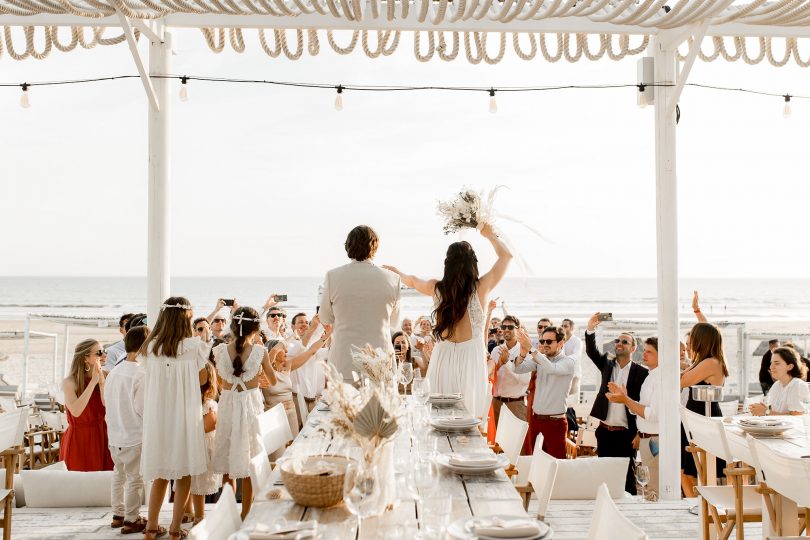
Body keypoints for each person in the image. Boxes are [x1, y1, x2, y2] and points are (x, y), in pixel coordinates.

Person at [384, 223, 512, 417]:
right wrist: (490, 235)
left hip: (443, 358)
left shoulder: (436, 288)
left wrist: (398, 273)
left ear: (447, 265)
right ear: (473, 264)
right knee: (469, 422)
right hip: (471, 360)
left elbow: (411, 280)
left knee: (439, 418)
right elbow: (506, 256)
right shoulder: (482, 287)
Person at [140, 296, 211, 540]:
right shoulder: (194, 346)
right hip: (184, 416)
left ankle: (150, 527)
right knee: (184, 474)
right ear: (186, 319)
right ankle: (174, 528)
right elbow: (203, 381)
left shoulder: (150, 347)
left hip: (159, 417)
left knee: (160, 473)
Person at [212, 307, 279, 519]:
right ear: (256, 329)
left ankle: (227, 511)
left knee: (228, 458)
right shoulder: (261, 352)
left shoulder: (219, 351)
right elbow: (273, 381)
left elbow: (221, 382)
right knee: (250, 457)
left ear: (233, 326)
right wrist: (257, 379)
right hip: (250, 405)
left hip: (228, 404)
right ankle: (246, 512)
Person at [319, 225, 402, 381]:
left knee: (344, 406)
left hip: (343, 360)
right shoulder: (392, 279)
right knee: (382, 405)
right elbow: (394, 322)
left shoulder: (332, 276)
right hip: (381, 359)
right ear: (375, 247)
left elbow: (324, 317)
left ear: (348, 246)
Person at [585, 312, 648, 495]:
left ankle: (629, 513)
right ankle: (606, 507)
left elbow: (643, 403)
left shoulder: (641, 373)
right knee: (604, 476)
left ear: (633, 348)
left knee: (627, 478)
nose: (619, 344)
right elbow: (591, 351)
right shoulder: (607, 363)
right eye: (617, 341)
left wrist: (638, 434)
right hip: (604, 431)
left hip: (626, 435)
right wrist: (590, 329)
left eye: (625, 342)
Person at [104, 326, 149, 533]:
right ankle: (132, 519)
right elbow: (142, 408)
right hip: (133, 434)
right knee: (134, 479)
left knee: (118, 475)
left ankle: (117, 514)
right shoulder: (140, 373)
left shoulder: (114, 371)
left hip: (115, 434)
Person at [606, 337, 660, 499]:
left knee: (654, 490)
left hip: (654, 441)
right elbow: (641, 409)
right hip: (647, 439)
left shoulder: (660, 378)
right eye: (644, 350)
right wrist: (625, 398)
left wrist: (625, 400)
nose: (645, 354)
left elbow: (653, 414)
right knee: (650, 488)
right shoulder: (651, 376)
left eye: (649, 351)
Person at [679, 322, 728, 498]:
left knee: (699, 472)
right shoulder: (705, 361)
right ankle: (697, 507)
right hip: (695, 418)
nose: (689, 342)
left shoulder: (711, 362)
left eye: (692, 337)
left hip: (704, 419)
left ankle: (703, 510)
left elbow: (682, 382)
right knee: (685, 472)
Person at [515, 326, 576, 459]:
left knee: (556, 464)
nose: (544, 345)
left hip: (555, 423)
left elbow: (551, 369)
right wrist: (523, 353)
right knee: (535, 461)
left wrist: (532, 349)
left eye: (549, 342)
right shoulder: (540, 358)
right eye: (542, 342)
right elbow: (518, 369)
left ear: (561, 343)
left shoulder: (568, 362)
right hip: (536, 420)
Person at [61, 338, 114, 472]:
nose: (104, 355)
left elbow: (107, 406)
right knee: (78, 483)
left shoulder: (108, 375)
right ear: (85, 358)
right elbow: (76, 411)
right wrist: (92, 383)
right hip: (79, 440)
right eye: (99, 353)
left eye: (104, 351)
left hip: (103, 435)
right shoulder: (70, 382)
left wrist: (101, 382)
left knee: (104, 483)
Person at [190, 361, 221, 525]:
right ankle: (199, 516)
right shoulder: (209, 406)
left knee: (189, 483)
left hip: (193, 449)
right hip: (203, 451)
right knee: (199, 485)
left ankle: (187, 511)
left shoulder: (189, 406)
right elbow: (208, 427)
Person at [489, 315, 530, 425]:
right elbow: (491, 376)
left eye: (511, 327)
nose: (506, 329)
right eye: (504, 326)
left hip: (515, 404)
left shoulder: (525, 352)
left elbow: (524, 381)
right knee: (494, 441)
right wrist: (498, 365)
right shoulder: (496, 350)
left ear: (518, 329)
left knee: (515, 441)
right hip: (495, 403)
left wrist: (506, 363)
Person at [262, 339, 299, 459]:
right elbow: (269, 357)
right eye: (283, 350)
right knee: (278, 457)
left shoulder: (285, 368)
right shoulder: (264, 371)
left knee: (294, 451)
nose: (286, 352)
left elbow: (308, 352)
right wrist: (278, 347)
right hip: (274, 416)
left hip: (291, 413)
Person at [749, 347, 809, 416]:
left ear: (790, 367)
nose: (771, 367)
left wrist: (766, 412)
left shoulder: (798, 385)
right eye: (771, 363)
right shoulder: (777, 385)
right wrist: (760, 409)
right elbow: (770, 408)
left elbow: (796, 417)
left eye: (777, 363)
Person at [561, 318, 583, 432]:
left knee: (569, 403)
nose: (563, 328)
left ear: (572, 328)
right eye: (562, 326)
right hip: (561, 375)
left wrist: (563, 359)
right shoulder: (560, 339)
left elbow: (576, 355)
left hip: (573, 375)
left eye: (566, 326)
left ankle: (571, 427)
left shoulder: (577, 341)